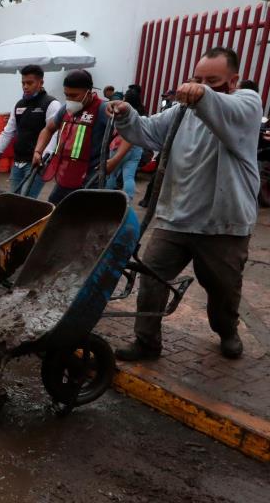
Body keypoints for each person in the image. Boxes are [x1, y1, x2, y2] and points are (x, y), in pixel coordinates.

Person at [108, 47, 261, 361]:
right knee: (151, 279)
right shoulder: (181, 112)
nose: (202, 85)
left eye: (213, 80)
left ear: (233, 81)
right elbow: (148, 132)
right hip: (175, 219)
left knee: (223, 291)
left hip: (223, 225)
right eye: (197, 78)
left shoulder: (247, 103)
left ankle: (227, 331)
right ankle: (147, 342)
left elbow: (221, 106)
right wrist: (126, 114)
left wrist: (202, 92)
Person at [34, 69, 111, 204]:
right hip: (66, 176)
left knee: (80, 217)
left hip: (91, 180)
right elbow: (48, 129)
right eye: (66, 95)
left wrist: (114, 161)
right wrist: (38, 151)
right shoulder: (66, 110)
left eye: (74, 95)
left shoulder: (103, 109)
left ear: (88, 92)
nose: (69, 100)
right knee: (53, 206)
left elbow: (127, 137)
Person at [0, 65, 62, 197]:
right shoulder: (18, 105)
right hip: (18, 163)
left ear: (41, 83)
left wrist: (44, 157)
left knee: (26, 203)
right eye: (23, 83)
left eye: (29, 83)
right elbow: (8, 132)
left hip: (36, 164)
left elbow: (55, 133)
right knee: (14, 201)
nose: (25, 86)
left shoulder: (51, 104)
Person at [105, 88, 146, 201]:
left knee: (111, 174)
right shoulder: (141, 112)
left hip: (119, 146)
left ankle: (106, 198)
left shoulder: (122, 111)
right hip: (137, 148)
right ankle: (127, 201)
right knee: (129, 177)